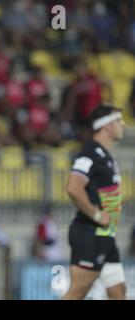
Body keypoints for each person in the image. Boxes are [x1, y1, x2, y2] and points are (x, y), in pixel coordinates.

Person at [62, 104, 126, 300]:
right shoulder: (90, 153)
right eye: (117, 120)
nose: (123, 124)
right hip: (91, 233)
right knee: (77, 293)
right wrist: (97, 214)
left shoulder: (104, 155)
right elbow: (73, 187)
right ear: (106, 125)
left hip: (105, 235)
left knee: (118, 292)